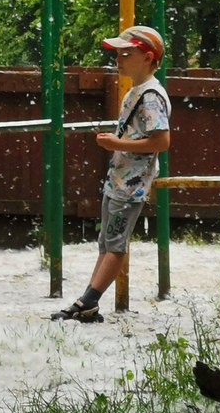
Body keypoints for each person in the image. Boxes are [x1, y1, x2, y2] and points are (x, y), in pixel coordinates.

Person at [51, 24, 171, 323]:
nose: (119, 59)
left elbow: (161, 142)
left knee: (115, 244)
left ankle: (88, 301)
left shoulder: (151, 96)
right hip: (118, 179)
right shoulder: (136, 91)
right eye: (118, 54)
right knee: (107, 242)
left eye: (126, 54)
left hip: (131, 185)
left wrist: (116, 143)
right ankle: (88, 304)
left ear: (147, 57)